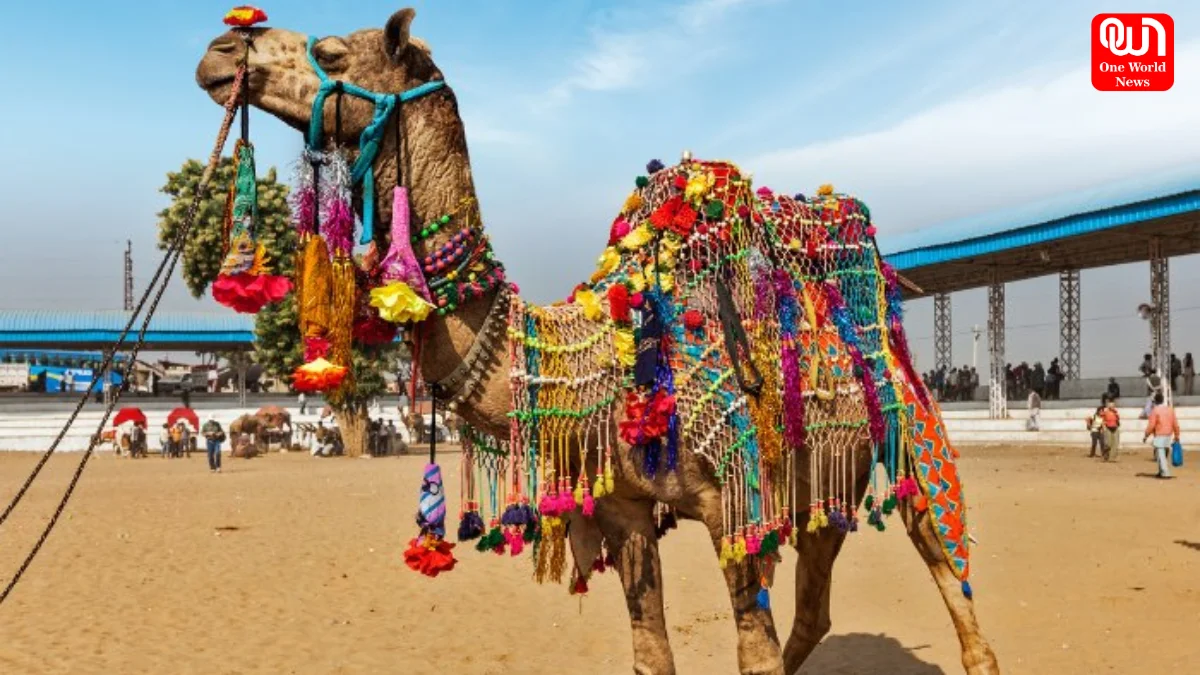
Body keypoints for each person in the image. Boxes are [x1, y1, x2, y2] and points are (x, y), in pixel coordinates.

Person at [1143, 392, 1180, 479]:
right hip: (1168, 434)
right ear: (1163, 400)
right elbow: (1175, 424)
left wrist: (1146, 435)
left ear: (1155, 401)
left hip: (1159, 434)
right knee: (1164, 454)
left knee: (1161, 454)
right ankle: (1161, 471)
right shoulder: (1170, 410)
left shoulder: (1155, 410)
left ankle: (1165, 472)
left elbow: (1151, 425)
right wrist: (1177, 435)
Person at [1099, 397, 1121, 461]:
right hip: (1108, 428)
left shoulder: (1115, 412)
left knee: (1115, 443)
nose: (1112, 406)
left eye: (1113, 405)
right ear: (1108, 406)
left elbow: (1117, 421)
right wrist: (1103, 428)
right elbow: (1102, 420)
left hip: (1115, 428)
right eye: (1111, 405)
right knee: (1108, 443)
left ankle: (1112, 457)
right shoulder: (1105, 412)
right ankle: (1105, 455)